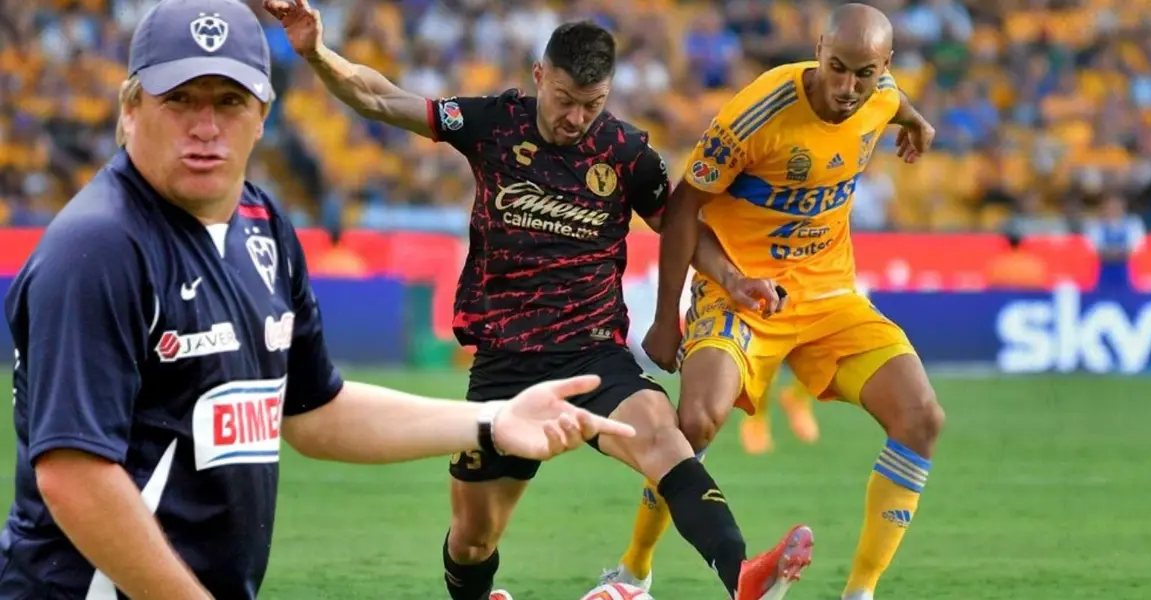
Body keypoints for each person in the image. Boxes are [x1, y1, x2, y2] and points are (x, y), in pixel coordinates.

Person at [0, 1, 639, 599]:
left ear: (263, 112)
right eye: (178, 100)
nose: (206, 126)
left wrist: (491, 420)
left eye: (229, 99)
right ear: (130, 109)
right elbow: (74, 476)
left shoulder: (261, 224)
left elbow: (315, 412)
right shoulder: (100, 248)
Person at [266, 2, 812, 599]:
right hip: (504, 364)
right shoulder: (491, 124)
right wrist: (318, 52)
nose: (577, 117)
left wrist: (733, 281)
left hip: (594, 354)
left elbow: (678, 228)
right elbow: (380, 97)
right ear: (538, 77)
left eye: (592, 104)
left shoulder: (628, 156)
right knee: (474, 538)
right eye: (565, 99)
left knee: (665, 440)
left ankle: (743, 576)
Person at [603, 5, 947, 600]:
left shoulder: (881, 93)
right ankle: (633, 571)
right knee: (695, 420)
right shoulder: (758, 114)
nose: (847, 88)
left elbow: (893, 101)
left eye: (863, 74)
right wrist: (665, 319)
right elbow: (683, 207)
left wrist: (914, 123)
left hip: (829, 294)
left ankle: (860, 593)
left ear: (883, 68)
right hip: (739, 290)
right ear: (818, 49)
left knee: (922, 418)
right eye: (836, 68)